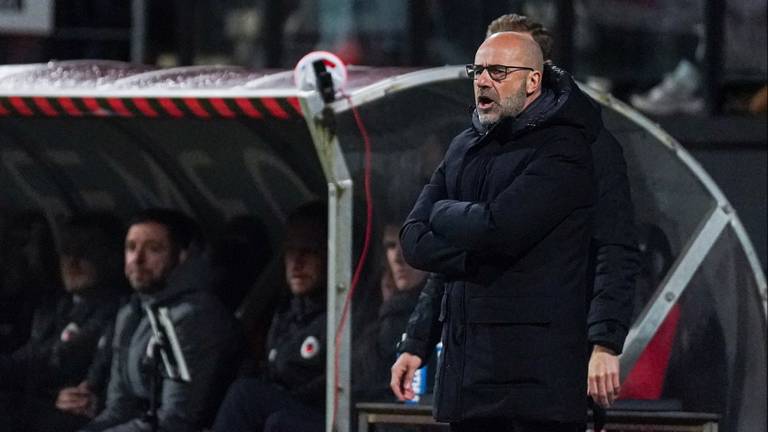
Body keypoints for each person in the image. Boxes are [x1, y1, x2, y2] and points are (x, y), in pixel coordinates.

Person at [390, 32, 598, 431]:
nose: (483, 80)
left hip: (532, 393)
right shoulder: (463, 145)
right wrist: (417, 341)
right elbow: (413, 239)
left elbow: (497, 229)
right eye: (478, 70)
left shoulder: (563, 149)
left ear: (532, 81)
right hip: (467, 383)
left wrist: (447, 216)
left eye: (498, 71)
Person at [486, 13, 639, 409]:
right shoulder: (475, 147)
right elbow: (455, 252)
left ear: (538, 73)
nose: (489, 77)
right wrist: (417, 339)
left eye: (505, 65)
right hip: (485, 353)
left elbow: (616, 244)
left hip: (557, 348)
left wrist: (604, 342)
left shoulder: (590, 144)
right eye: (485, 64)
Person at [79, 208, 241, 432]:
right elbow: (119, 408)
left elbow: (176, 420)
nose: (137, 259)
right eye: (131, 248)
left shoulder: (194, 316)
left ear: (182, 256)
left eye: (154, 249)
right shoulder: (131, 312)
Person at [0, 212, 125, 432]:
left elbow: (56, 361)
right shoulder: (55, 305)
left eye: (85, 251)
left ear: (112, 257)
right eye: (67, 250)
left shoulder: (117, 312)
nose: (72, 261)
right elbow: (27, 359)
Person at [213, 202, 327, 432]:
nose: (297, 263)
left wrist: (278, 393)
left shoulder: (346, 315)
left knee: (246, 396)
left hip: (325, 415)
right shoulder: (286, 312)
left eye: (309, 251)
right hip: (284, 411)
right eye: (291, 252)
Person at [353, 223, 427, 403]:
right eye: (391, 246)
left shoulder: (443, 309)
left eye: (407, 243)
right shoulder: (374, 304)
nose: (398, 257)